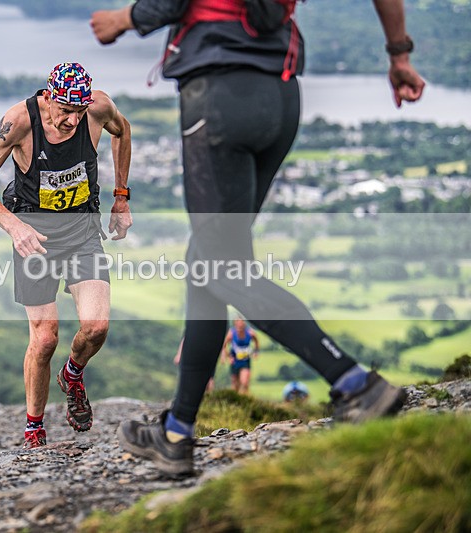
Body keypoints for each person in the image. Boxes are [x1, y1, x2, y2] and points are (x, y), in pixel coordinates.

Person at [90, 0, 425, 475]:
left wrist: (127, 19)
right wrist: (399, 55)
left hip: (220, 96)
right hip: (280, 95)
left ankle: (352, 382)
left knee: (220, 267)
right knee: (208, 259)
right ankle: (176, 433)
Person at [0, 62, 132, 449]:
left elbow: (123, 132)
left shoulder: (99, 109)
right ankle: (34, 428)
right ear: (48, 97)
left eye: (79, 111)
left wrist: (121, 197)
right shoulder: (19, 121)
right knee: (44, 340)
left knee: (96, 327)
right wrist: (14, 227)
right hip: (34, 237)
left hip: (82, 232)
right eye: (65, 110)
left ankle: (73, 374)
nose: (72, 120)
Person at [221, 317, 259, 394]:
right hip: (235, 361)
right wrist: (227, 356)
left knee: (244, 382)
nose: (240, 326)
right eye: (238, 324)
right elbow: (224, 345)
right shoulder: (231, 333)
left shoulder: (250, 333)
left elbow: (256, 341)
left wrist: (256, 351)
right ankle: (236, 401)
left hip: (245, 360)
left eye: (241, 324)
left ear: (244, 324)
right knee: (235, 385)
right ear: (235, 324)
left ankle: (246, 399)